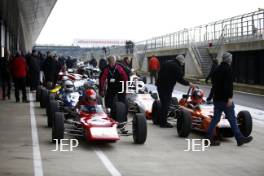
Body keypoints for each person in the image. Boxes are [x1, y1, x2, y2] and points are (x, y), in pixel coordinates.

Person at [207, 52, 253, 146]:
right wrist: (230, 97)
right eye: (231, 58)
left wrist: (211, 97)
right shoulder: (228, 69)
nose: (231, 60)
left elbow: (214, 85)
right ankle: (239, 139)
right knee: (232, 120)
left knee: (215, 119)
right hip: (225, 100)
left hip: (217, 99)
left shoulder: (217, 69)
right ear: (229, 59)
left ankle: (209, 138)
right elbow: (228, 86)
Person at [156, 55, 194, 128]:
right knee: (166, 104)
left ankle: (160, 120)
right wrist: (189, 84)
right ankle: (163, 123)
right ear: (181, 61)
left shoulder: (167, 62)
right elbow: (180, 79)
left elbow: (159, 72)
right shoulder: (176, 67)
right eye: (183, 63)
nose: (183, 64)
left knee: (163, 103)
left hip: (160, 86)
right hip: (166, 88)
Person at [99, 55, 128, 120]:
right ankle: (110, 115)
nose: (111, 64)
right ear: (108, 62)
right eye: (110, 62)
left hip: (120, 86)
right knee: (108, 100)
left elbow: (125, 78)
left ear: (115, 61)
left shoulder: (120, 68)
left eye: (113, 62)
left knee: (122, 101)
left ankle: (123, 117)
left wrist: (126, 88)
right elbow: (102, 79)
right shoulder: (106, 69)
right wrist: (101, 90)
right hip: (111, 87)